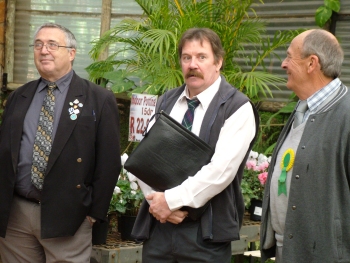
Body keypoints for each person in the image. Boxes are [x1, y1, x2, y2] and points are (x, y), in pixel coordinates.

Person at [131, 28, 259, 262]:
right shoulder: (166, 101)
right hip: (159, 229)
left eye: (202, 57)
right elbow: (145, 158)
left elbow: (221, 172)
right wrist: (157, 203)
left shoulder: (237, 108)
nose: (193, 64)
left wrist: (171, 201)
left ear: (218, 62)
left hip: (205, 235)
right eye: (186, 57)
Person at [0, 23, 121, 262]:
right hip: (17, 216)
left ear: (72, 53)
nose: (44, 50)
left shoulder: (98, 98)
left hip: (69, 215)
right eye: (38, 44)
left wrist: (94, 214)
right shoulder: (18, 97)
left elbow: (109, 162)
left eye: (52, 44)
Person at [260, 29, 350, 262]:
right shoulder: (304, 108)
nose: (283, 64)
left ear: (312, 63)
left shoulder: (346, 114)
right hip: (288, 251)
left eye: (290, 57)